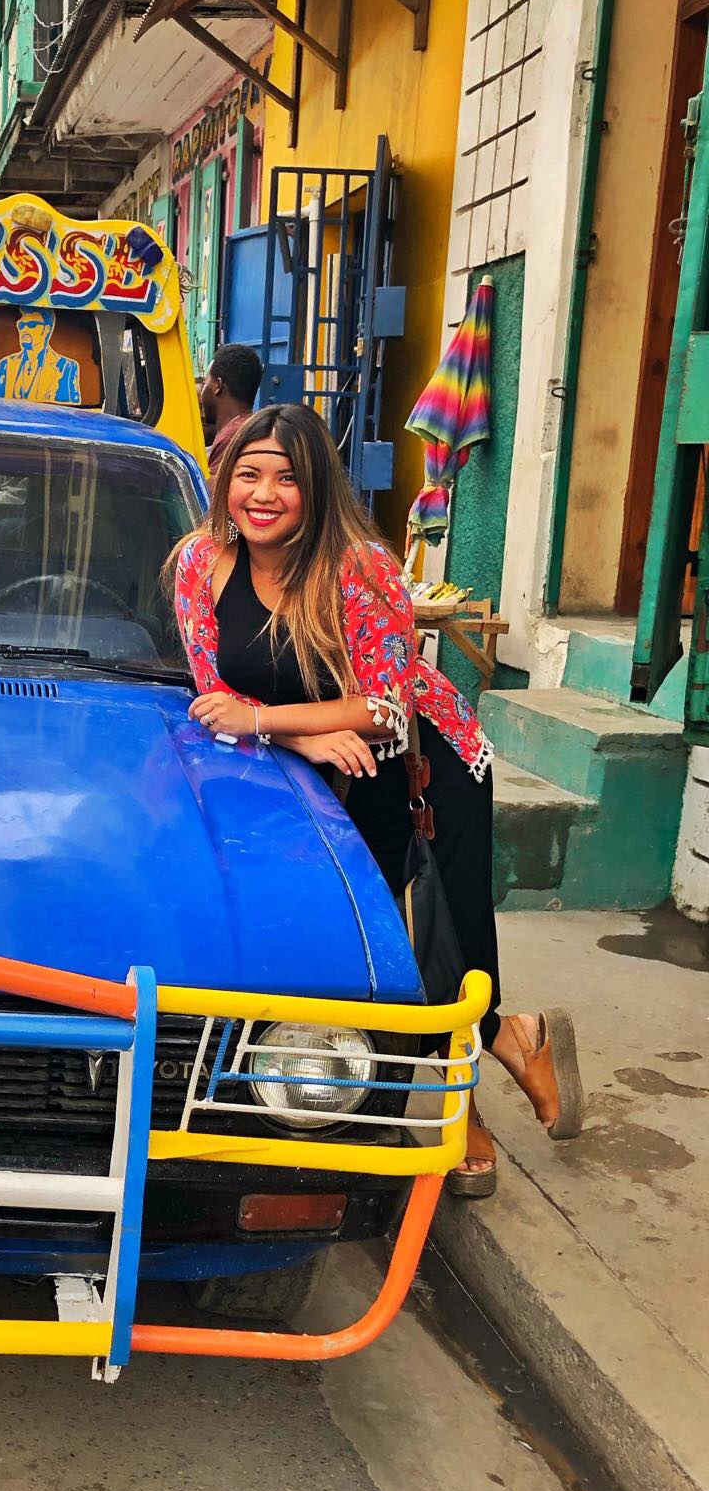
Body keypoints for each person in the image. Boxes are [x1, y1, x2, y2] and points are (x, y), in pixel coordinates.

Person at [169, 402, 584, 1195]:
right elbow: (213, 694)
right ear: (225, 482)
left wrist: (266, 719)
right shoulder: (200, 565)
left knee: (441, 931)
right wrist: (294, 736)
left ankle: (461, 1103)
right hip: (312, 766)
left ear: (317, 489)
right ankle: (510, 1037)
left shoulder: (358, 567)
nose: (263, 493)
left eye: (287, 478)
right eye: (248, 474)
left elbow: (388, 706)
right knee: (364, 944)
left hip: (420, 770)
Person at [0, 307, 81, 405]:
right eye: (21, 325)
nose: (24, 330)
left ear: (46, 330)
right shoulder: (5, 364)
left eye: (31, 325)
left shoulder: (66, 367)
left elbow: (71, 412)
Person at [198, 343, 264, 466]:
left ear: (218, 385)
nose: (202, 392)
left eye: (205, 381)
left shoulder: (231, 438)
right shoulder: (250, 427)